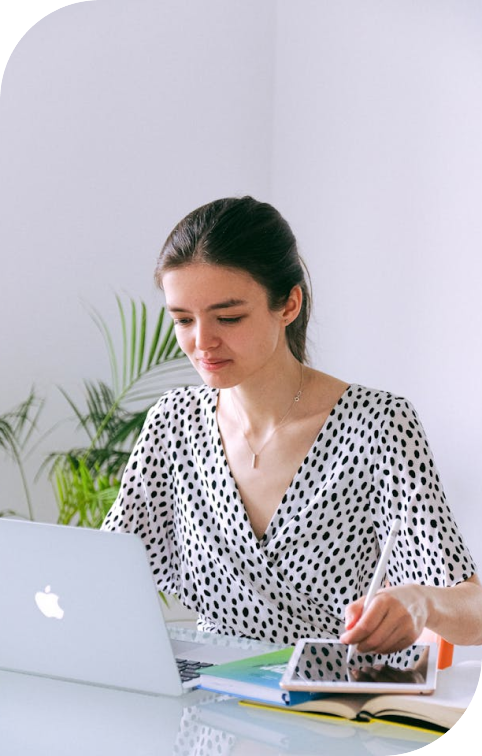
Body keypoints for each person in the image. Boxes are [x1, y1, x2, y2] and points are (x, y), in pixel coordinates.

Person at [102, 196, 482, 654]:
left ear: (288, 305)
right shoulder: (173, 423)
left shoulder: (377, 425)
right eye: (183, 320)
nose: (202, 342)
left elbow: (474, 613)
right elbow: (104, 573)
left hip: (330, 691)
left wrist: (422, 602)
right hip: (206, 686)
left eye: (228, 317)